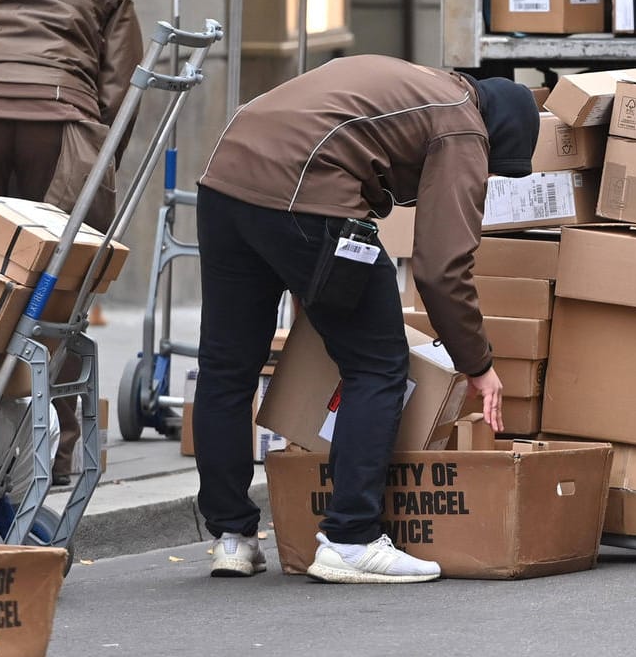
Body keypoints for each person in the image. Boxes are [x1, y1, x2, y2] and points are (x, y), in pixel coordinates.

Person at [192, 55, 538, 583]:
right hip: (307, 194)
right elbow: (442, 269)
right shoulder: (463, 124)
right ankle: (351, 539)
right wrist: (478, 363)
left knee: (226, 366)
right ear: (498, 135)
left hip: (224, 182)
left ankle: (232, 538)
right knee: (377, 365)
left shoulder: (417, 83)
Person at [0, 0, 143, 486]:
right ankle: (59, 453)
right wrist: (99, 160)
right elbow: (120, 89)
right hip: (58, 121)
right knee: (54, 278)